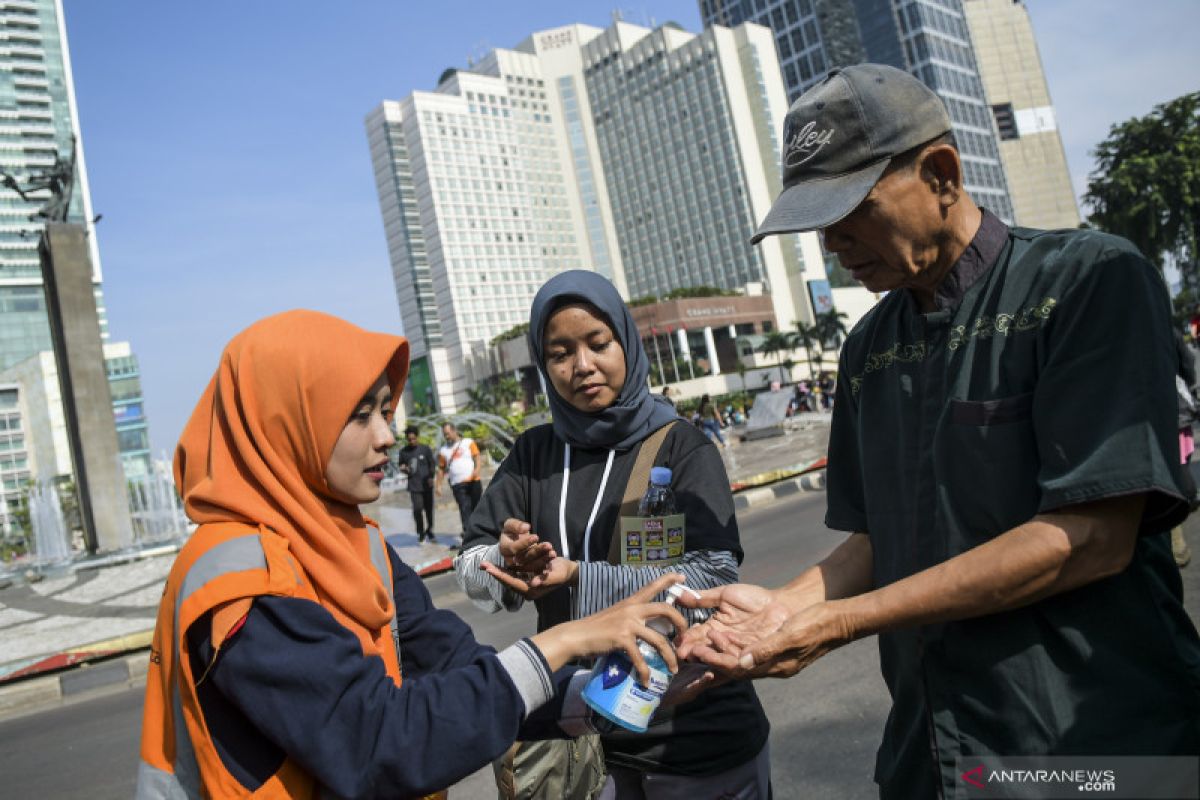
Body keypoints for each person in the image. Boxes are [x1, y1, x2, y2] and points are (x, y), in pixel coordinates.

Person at [677, 64, 1200, 798]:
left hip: (1095, 743)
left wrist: (838, 623)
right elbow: (873, 541)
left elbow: (1091, 535)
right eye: (818, 223)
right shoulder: (866, 350)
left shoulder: (1087, 283)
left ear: (942, 174)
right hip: (936, 759)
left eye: (850, 208)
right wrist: (784, 607)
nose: (833, 243)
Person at [137, 310, 688, 800]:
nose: (386, 436)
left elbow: (452, 661)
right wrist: (564, 640)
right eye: (358, 416)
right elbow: (376, 742)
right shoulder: (241, 581)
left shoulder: (354, 538)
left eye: (386, 410)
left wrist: (596, 699)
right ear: (287, 424)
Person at [454, 271, 771, 798]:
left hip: (693, 742)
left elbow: (712, 578)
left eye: (598, 344)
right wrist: (506, 565)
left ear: (625, 341)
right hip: (581, 744)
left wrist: (577, 577)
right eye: (560, 354)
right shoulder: (533, 456)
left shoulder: (680, 447)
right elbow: (470, 565)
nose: (582, 366)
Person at [436, 421, 482, 538]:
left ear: (454, 430)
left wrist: (477, 470)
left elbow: (477, 457)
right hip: (457, 484)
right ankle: (468, 534)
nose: (446, 436)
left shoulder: (468, 442)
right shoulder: (443, 450)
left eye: (448, 433)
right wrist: (438, 486)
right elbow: (441, 469)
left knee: (478, 506)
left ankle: (481, 531)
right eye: (444, 434)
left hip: (474, 480)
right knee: (464, 508)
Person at [398, 424, 437, 543]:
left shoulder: (425, 449)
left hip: (427, 484)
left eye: (414, 439)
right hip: (414, 486)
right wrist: (404, 468)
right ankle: (421, 533)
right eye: (409, 439)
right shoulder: (403, 452)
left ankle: (430, 530)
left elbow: (432, 464)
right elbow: (400, 465)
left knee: (429, 509)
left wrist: (431, 477)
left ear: (417, 437)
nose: (412, 441)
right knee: (417, 509)